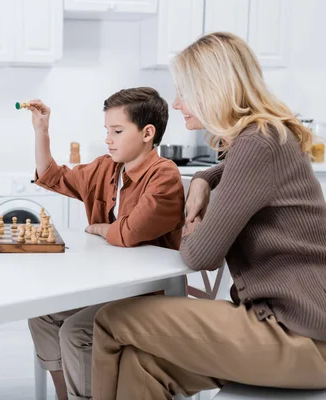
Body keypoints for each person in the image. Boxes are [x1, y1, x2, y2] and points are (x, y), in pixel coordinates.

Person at [92, 32, 326, 400]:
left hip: (299, 336)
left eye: (184, 91)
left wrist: (193, 225)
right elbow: (232, 170)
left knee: (109, 320)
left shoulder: (257, 144)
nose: (177, 102)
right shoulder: (263, 138)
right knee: (143, 363)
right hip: (291, 326)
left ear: (212, 89)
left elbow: (200, 256)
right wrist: (202, 178)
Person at [26, 88, 184, 400]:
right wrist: (41, 131)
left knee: (76, 331)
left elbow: (129, 232)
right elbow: (52, 176)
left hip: (149, 294)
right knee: (42, 315)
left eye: (117, 131)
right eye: (106, 131)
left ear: (147, 133)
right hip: (111, 287)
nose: (108, 139)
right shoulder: (106, 167)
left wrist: (100, 228)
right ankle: (67, 396)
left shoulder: (164, 174)